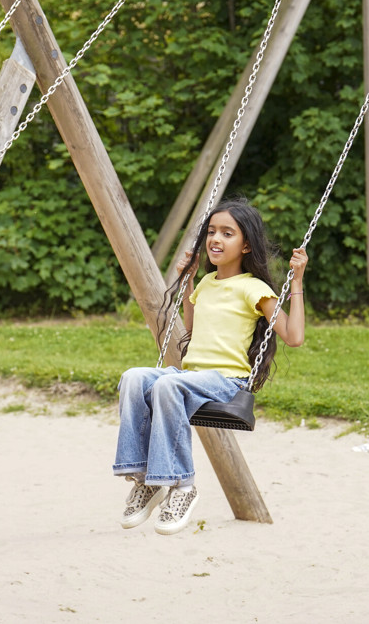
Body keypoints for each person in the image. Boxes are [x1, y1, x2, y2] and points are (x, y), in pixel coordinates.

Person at [112, 198, 308, 536]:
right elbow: (192, 328)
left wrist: (298, 281)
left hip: (226, 381)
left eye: (227, 233)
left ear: (246, 245)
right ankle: (146, 479)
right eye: (212, 232)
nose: (215, 239)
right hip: (192, 377)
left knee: (166, 387)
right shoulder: (206, 283)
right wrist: (188, 281)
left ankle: (182, 485)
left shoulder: (253, 287)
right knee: (133, 378)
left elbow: (293, 336)